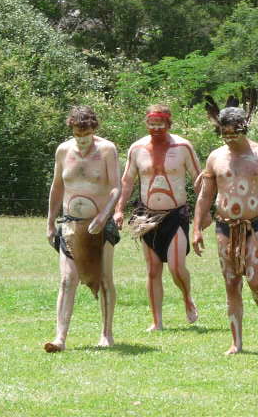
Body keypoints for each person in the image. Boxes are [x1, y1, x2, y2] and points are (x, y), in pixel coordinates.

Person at [193, 106, 258, 355]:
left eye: (233, 134)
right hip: (225, 226)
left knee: (255, 279)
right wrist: (196, 228)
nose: (229, 139)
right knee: (232, 282)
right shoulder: (215, 157)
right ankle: (236, 342)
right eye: (224, 134)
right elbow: (204, 196)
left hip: (257, 223)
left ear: (243, 130)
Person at [113, 104, 201, 331]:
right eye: (152, 124)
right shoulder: (137, 148)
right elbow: (127, 181)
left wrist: (204, 212)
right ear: (146, 124)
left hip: (175, 214)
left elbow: (199, 179)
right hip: (147, 216)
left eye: (160, 125)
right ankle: (157, 322)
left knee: (176, 267)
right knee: (153, 269)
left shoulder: (183, 146)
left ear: (169, 124)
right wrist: (119, 209)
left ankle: (187, 297)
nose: (155, 129)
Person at [45, 106, 121, 352]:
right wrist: (49, 222)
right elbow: (57, 187)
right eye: (78, 135)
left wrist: (103, 215)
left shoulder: (107, 149)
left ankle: (106, 334)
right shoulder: (63, 150)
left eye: (86, 136)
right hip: (69, 224)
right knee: (68, 279)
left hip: (100, 224)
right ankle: (60, 338)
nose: (82, 141)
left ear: (94, 129)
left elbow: (115, 188)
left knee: (104, 278)